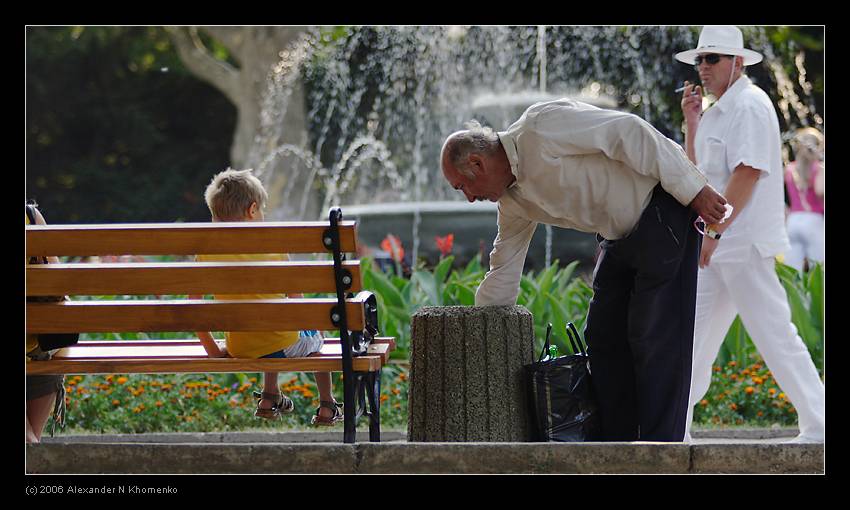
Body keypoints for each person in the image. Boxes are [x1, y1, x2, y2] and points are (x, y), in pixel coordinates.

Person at [440, 99, 728, 441]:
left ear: (477, 162)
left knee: (654, 338)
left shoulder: (539, 128)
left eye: (462, 187)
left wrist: (693, 188)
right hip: (616, 237)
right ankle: (617, 445)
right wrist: (478, 328)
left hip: (663, 209)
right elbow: (504, 264)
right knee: (603, 338)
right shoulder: (512, 203)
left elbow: (628, 131)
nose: (469, 198)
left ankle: (659, 450)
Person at [676, 25, 825, 443]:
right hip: (719, 247)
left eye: (712, 59)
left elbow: (748, 173)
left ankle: (820, 424)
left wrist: (713, 232)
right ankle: (673, 427)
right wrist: (691, 124)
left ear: (737, 63)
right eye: (700, 60)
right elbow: (697, 177)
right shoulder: (716, 110)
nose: (703, 67)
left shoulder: (751, 105)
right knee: (690, 337)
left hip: (740, 246)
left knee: (775, 334)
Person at [190, 168, 343, 426]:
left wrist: (214, 351)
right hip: (281, 343)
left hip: (240, 346)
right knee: (315, 339)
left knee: (270, 325)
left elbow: (194, 308)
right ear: (252, 211)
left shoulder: (206, 254)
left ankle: (269, 396)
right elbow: (298, 300)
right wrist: (314, 326)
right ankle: (327, 404)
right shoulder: (273, 247)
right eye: (261, 210)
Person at [25, 201, 65, 443]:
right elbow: (59, 284)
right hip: (40, 345)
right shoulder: (30, 216)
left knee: (29, 441)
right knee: (31, 445)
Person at [784, 127, 825, 272]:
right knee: (819, 269)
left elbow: (780, 198)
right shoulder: (819, 168)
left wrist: (787, 213)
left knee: (792, 269)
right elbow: (820, 191)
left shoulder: (789, 169)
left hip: (793, 221)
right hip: (814, 220)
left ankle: (792, 295)